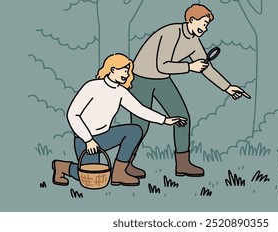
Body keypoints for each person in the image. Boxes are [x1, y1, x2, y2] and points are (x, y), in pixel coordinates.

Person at [130, 4, 247, 178]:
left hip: (162, 80)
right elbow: (162, 65)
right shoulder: (171, 33)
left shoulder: (194, 42)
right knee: (141, 124)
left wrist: (228, 87)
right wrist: (190, 66)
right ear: (191, 20)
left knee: (182, 117)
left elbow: (206, 68)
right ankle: (124, 164)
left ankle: (183, 164)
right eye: (204, 23)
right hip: (141, 78)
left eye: (207, 25)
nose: (205, 28)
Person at [52, 53, 186, 187]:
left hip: (105, 136)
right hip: (84, 139)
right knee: (90, 177)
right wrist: (88, 140)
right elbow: (73, 114)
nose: (127, 74)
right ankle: (62, 167)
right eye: (125, 70)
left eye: (128, 72)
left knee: (134, 131)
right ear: (112, 69)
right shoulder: (92, 87)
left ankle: (119, 173)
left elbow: (140, 110)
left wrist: (165, 120)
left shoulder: (121, 92)